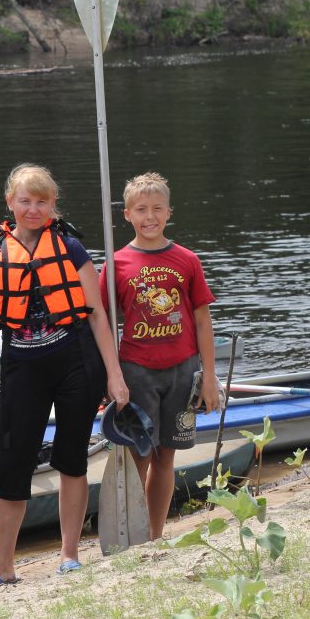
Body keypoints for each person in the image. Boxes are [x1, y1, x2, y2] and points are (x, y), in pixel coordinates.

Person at [0, 164, 128, 590]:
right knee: (12, 462)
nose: (33, 208)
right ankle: (2, 565)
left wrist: (114, 375)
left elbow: (97, 317)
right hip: (22, 365)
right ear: (10, 202)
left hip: (77, 362)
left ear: (52, 205)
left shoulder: (72, 248)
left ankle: (70, 555)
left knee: (71, 459)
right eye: (26, 200)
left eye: (42, 201)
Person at [100, 172, 219, 540]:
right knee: (139, 454)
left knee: (167, 454)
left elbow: (202, 321)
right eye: (140, 209)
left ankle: (154, 534)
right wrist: (110, 377)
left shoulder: (187, 260)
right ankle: (130, 536)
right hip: (137, 372)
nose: (149, 217)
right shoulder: (115, 264)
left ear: (169, 212)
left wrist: (210, 377)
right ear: (127, 215)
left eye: (156, 209)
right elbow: (102, 325)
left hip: (182, 372)